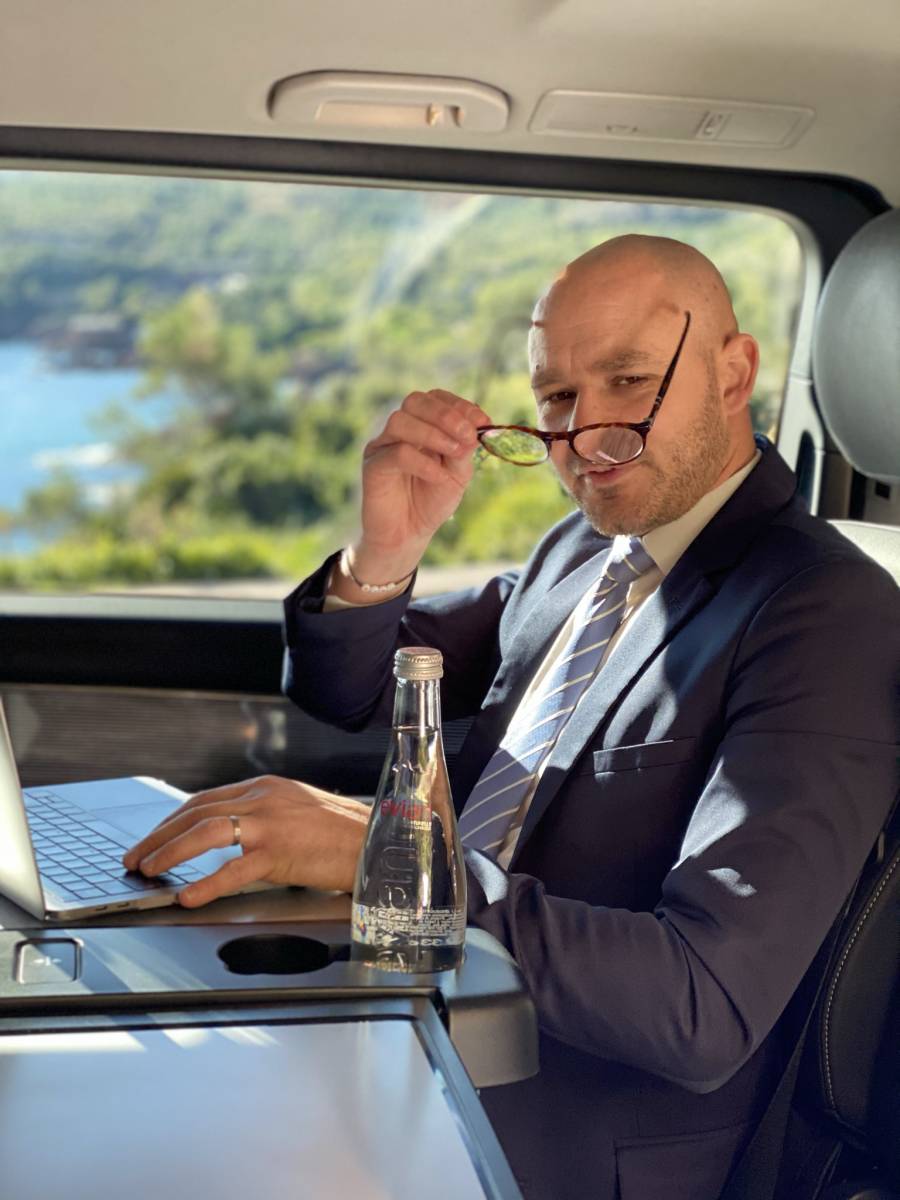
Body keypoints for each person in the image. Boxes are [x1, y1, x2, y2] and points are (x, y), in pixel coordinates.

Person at [124, 235, 899, 1200]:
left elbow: (704, 1005)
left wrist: (394, 863)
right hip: (414, 1023)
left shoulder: (824, 611)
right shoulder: (586, 548)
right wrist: (384, 552)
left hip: (558, 1132)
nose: (583, 439)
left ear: (734, 372)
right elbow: (351, 690)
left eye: (628, 382)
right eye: (557, 398)